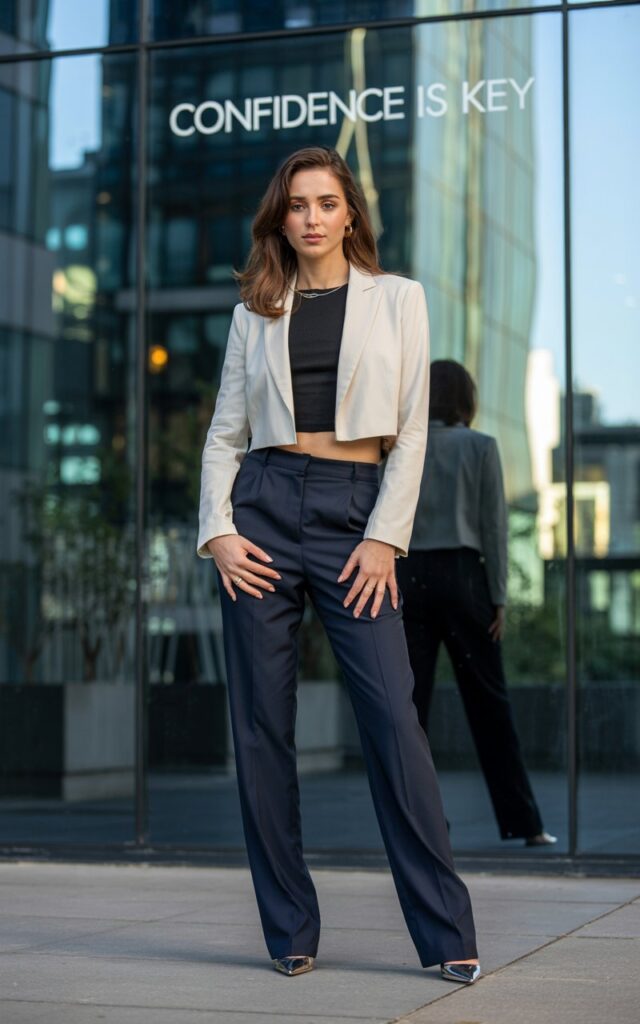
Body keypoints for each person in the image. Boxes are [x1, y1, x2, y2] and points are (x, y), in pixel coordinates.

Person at [197, 147, 480, 984]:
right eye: (297, 205)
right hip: (262, 508)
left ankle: (446, 932)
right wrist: (218, 531)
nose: (312, 217)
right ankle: (290, 929)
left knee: (393, 719)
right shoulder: (255, 310)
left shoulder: (399, 298)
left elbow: (413, 431)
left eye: (326, 202)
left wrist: (385, 536)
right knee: (261, 730)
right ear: (281, 218)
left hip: (356, 512)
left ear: (350, 211)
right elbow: (225, 433)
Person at [397, 359, 557, 847]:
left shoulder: (405, 445)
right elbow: (494, 528)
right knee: (490, 705)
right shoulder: (482, 446)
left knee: (410, 710)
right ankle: (525, 824)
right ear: (468, 400)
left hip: (409, 576)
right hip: (466, 577)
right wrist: (499, 596)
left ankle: (420, 826)